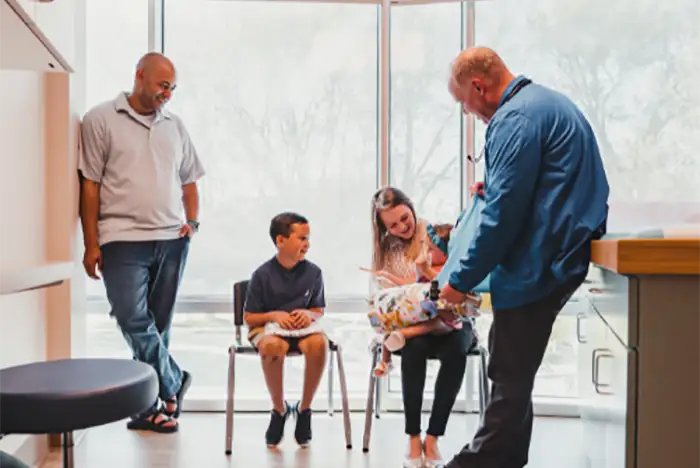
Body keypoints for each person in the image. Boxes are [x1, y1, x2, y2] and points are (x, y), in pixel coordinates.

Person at [442, 47, 609, 468]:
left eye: (464, 103)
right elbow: (529, 187)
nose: (469, 113)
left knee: (509, 373)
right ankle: (507, 458)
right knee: (509, 360)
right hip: (560, 252)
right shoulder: (548, 105)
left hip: (540, 260)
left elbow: (502, 219)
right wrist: (495, 187)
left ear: (478, 87)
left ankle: (477, 462)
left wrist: (459, 280)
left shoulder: (514, 119)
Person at [78, 52, 205, 433]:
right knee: (133, 317)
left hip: (171, 239)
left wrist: (193, 223)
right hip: (121, 239)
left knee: (158, 326)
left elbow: (190, 181)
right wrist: (90, 243)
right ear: (139, 76)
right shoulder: (100, 119)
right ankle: (174, 380)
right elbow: (90, 185)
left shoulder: (175, 126)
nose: (168, 93)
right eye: (162, 85)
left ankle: (154, 407)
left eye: (172, 87)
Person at [369, 187, 476, 468]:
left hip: (452, 318)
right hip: (415, 321)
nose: (402, 227)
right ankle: (413, 438)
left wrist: (415, 281)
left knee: (456, 351)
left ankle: (433, 438)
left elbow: (452, 283)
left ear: (411, 207)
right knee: (413, 348)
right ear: (383, 228)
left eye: (405, 218)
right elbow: (393, 299)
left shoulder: (436, 235)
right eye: (393, 225)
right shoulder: (385, 251)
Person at [243, 212, 328, 449]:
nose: (307, 243)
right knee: (272, 347)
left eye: (308, 238)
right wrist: (274, 316)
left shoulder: (314, 273)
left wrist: (309, 314)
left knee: (318, 345)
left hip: (303, 330)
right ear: (280, 241)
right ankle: (279, 410)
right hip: (269, 329)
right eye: (301, 238)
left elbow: (319, 308)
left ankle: (304, 410)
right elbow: (249, 317)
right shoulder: (261, 275)